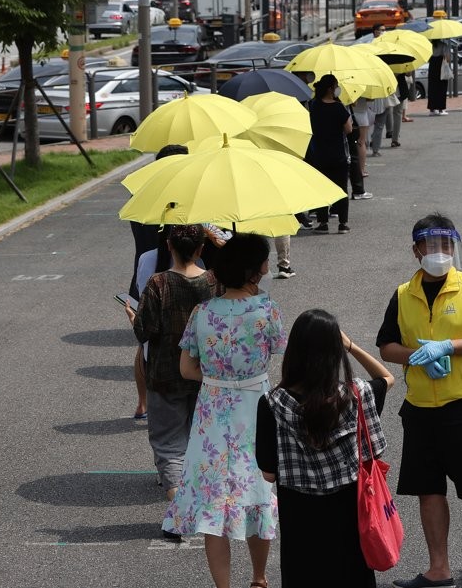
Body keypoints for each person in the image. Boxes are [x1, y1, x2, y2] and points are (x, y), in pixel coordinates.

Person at [376, 213, 462, 588]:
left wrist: (449, 346)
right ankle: (440, 569)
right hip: (419, 407)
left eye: (446, 245)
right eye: (432, 246)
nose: (440, 252)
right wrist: (416, 357)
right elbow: (386, 346)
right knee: (428, 487)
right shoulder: (404, 294)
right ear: (417, 250)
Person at [163, 234, 285, 588]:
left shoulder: (203, 312)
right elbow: (283, 355)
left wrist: (217, 380)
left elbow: (187, 369)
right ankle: (259, 579)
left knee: (213, 503)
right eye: (264, 260)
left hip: (212, 414)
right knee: (257, 493)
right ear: (255, 270)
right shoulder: (267, 310)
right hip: (256, 409)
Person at [256, 309, 395, 587]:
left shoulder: (272, 404)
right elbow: (387, 378)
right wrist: (351, 346)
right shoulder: (356, 394)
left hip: (301, 522)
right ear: (335, 352)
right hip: (351, 514)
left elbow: (269, 474)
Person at [130, 225, 218, 525]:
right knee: (200, 440)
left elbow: (145, 330)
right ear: (201, 249)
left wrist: (133, 317)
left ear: (169, 246)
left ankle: (181, 511)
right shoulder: (212, 282)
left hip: (165, 374)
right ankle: (201, 503)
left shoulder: (158, 283)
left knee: (169, 445)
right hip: (204, 373)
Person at [127, 143, 189, 419]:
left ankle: (143, 403)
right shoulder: (185, 202)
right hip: (178, 277)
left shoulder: (142, 197)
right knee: (186, 342)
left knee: (146, 344)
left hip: (143, 273)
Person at [306, 74, 354, 234]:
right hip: (338, 154)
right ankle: (343, 223)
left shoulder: (313, 105)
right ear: (330, 88)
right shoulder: (339, 107)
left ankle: (323, 222)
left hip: (318, 153)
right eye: (336, 85)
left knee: (321, 188)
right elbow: (348, 130)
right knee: (341, 189)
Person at [428, 36, 451, 116]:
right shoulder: (444, 45)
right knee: (442, 87)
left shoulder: (430, 45)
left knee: (432, 87)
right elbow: (447, 58)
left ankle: (432, 109)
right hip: (440, 66)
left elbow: (427, 58)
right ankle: (441, 109)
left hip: (432, 66)